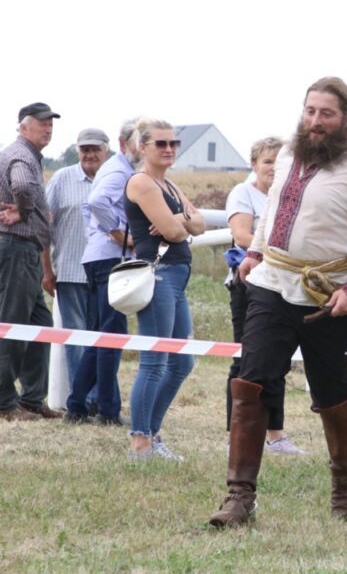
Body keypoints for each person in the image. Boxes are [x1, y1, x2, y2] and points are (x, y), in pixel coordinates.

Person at [209, 76, 347, 527]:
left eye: (327, 114)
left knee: (333, 392)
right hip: (272, 284)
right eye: (310, 111)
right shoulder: (288, 153)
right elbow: (273, 211)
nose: (316, 122)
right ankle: (239, 498)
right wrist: (256, 252)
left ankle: (344, 486)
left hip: (328, 296)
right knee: (251, 383)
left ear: (345, 119)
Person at [125, 118, 205, 460]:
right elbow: (174, 233)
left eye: (173, 143)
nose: (169, 149)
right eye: (161, 144)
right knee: (154, 362)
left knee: (182, 363)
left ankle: (152, 433)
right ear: (143, 148)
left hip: (177, 276)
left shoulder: (167, 185)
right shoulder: (143, 183)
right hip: (158, 276)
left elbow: (197, 224)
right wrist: (180, 224)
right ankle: (140, 441)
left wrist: (180, 222)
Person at [223, 136, 306, 456]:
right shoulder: (243, 194)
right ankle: (238, 432)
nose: (273, 167)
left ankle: (276, 434)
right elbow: (243, 235)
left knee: (278, 361)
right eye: (268, 161)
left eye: (279, 161)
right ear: (254, 164)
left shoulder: (289, 195)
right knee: (244, 360)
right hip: (249, 283)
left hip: (283, 285)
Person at [65, 119, 141, 425]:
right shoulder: (120, 171)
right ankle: (107, 410)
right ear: (124, 144)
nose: (144, 147)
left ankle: (77, 405)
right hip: (110, 259)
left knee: (101, 336)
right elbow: (96, 203)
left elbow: (89, 208)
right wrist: (119, 234)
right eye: (141, 141)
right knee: (111, 336)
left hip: (98, 257)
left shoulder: (116, 170)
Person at [0, 102, 60, 421]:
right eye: (41, 123)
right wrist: (24, 211)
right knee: (11, 323)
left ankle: (32, 398)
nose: (48, 128)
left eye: (50, 123)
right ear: (23, 127)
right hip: (16, 247)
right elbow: (22, 185)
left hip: (24, 250)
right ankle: (5, 403)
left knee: (40, 324)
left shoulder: (24, 154)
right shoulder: (22, 156)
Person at [45, 128, 109, 408]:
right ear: (77, 151)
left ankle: (98, 398)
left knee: (103, 340)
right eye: (85, 149)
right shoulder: (62, 178)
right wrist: (46, 269)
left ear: (106, 150)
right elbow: (44, 226)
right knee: (76, 338)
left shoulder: (117, 180)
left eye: (95, 148)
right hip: (70, 270)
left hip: (108, 274)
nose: (90, 154)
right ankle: (82, 400)